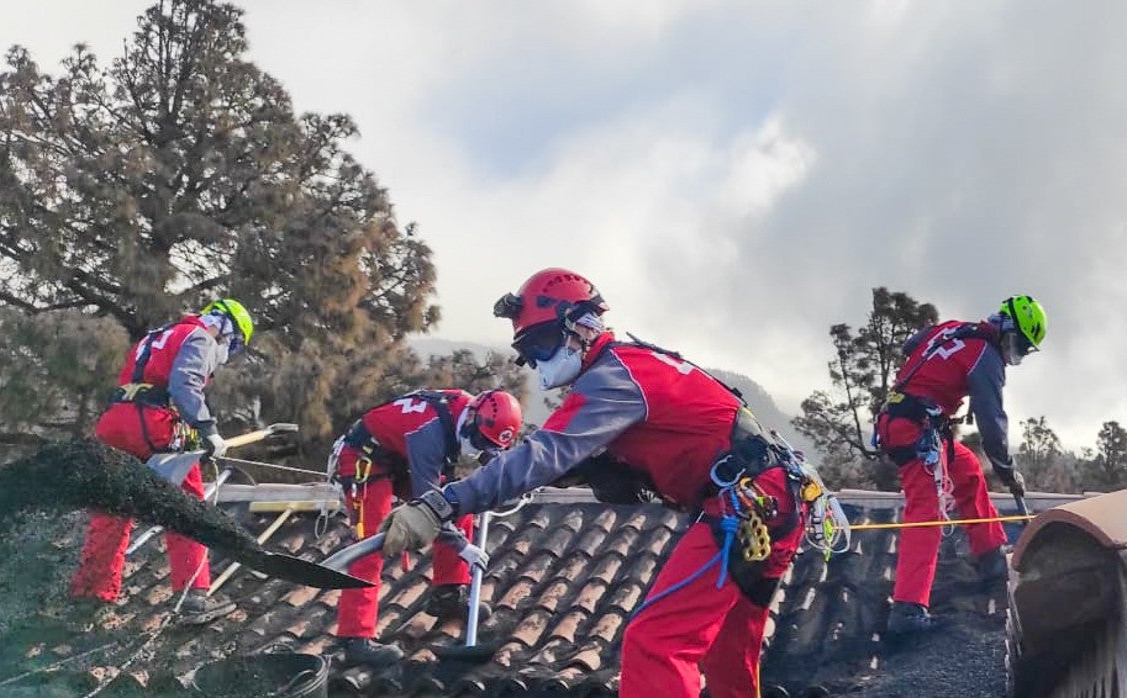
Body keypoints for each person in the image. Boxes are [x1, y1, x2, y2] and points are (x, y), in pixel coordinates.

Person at [376, 268, 813, 698]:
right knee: (726, 648)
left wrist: (440, 504)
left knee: (654, 643)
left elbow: (543, 454)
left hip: (747, 505)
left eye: (545, 343)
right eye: (531, 352)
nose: (541, 361)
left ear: (580, 327)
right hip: (777, 499)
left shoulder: (612, 378)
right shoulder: (634, 366)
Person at [68, 298, 254, 622]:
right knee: (187, 506)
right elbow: (185, 384)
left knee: (113, 507)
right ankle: (193, 597)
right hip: (155, 423)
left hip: (115, 421)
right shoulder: (200, 337)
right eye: (233, 343)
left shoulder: (157, 335)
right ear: (226, 328)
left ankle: (91, 596)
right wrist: (207, 429)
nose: (227, 350)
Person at [875, 295, 1047, 635]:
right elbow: (992, 426)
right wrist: (1009, 473)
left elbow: (913, 343)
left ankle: (990, 556)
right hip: (914, 428)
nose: (1016, 355)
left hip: (909, 420)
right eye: (1019, 346)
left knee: (966, 470)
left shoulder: (956, 330)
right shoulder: (987, 357)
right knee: (926, 509)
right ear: (1006, 329)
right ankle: (908, 609)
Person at [330, 387, 524, 667]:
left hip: (398, 454)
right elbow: (428, 505)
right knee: (371, 543)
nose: (478, 448)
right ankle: (354, 638)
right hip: (364, 458)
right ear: (471, 417)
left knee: (459, 504)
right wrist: (463, 548)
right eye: (478, 441)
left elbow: (489, 459)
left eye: (486, 444)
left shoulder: (472, 415)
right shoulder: (429, 432)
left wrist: (513, 480)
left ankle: (448, 593)